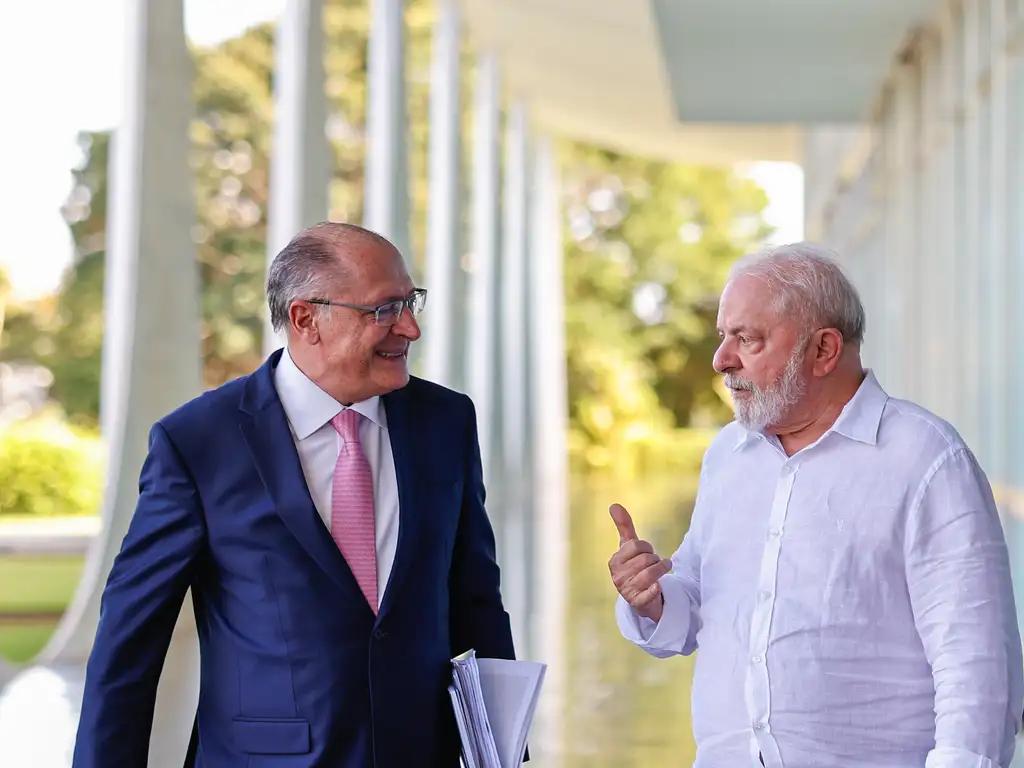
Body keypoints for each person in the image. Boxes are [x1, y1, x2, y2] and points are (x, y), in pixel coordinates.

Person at [73, 222, 517, 767]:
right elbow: (130, 643)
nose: (410, 328)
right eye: (384, 310)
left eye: (410, 302)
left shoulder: (446, 422)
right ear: (308, 318)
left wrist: (503, 754)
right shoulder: (198, 442)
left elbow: (477, 605)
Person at [608, 242, 1023, 767]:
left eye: (746, 339)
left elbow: (977, 667)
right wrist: (651, 597)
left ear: (824, 350)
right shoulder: (728, 456)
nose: (720, 360)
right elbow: (699, 610)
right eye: (722, 337)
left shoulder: (928, 461)